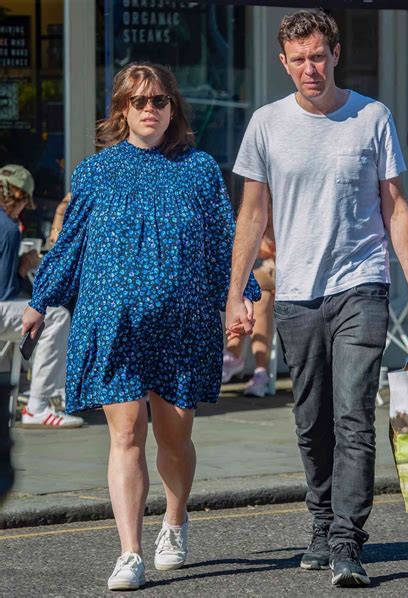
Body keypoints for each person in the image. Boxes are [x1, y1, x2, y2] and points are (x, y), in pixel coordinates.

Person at [21, 63, 260, 591]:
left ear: (173, 108)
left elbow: (224, 242)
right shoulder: (95, 171)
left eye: (159, 100)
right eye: (138, 101)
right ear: (122, 111)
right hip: (114, 323)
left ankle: (174, 521)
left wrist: (239, 297)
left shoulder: (197, 169)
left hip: (182, 325)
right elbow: (72, 244)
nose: (149, 109)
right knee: (125, 432)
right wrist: (39, 302)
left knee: (175, 437)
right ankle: (129, 551)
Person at [226, 10, 408, 589]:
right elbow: (251, 215)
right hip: (295, 292)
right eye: (299, 59)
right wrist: (235, 295)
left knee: (353, 413)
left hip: (361, 285)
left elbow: (396, 206)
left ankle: (346, 540)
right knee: (311, 419)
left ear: (334, 54)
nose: (310, 69)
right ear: (283, 62)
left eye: (319, 56)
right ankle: (320, 522)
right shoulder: (266, 125)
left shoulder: (371, 117)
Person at [0, 164, 82, 429]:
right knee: (56, 316)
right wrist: (23, 269)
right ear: (18, 197)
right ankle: (39, 405)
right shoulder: (9, 229)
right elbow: (4, 291)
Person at [222, 221, 275, 397]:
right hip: (251, 273)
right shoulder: (250, 215)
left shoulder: (279, 212)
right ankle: (242, 359)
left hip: (274, 272)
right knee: (251, 294)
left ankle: (238, 357)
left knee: (259, 294)